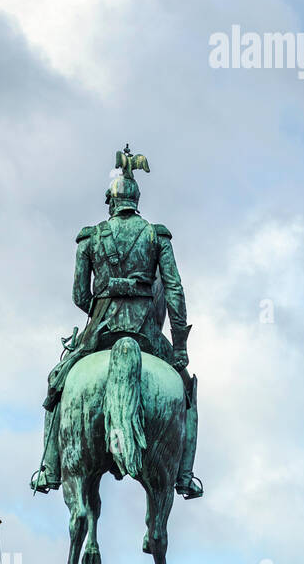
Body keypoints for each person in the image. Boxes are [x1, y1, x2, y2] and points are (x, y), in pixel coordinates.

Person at [31, 147, 199, 501]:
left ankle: (49, 466)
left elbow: (79, 295)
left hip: (101, 329)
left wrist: (104, 303)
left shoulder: (90, 237)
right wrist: (180, 346)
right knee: (185, 395)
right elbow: (174, 290)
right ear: (136, 201)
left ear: (110, 202)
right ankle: (185, 476)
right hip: (147, 333)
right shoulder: (157, 236)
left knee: (57, 389)